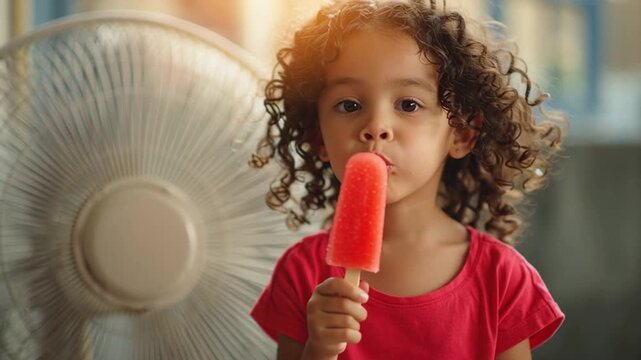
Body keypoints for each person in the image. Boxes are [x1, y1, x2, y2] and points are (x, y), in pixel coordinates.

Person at [249, 0, 566, 359]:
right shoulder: (301, 274)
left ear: (461, 134)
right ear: (319, 137)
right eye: (350, 105)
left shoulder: (502, 280)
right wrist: (318, 350)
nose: (376, 127)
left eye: (409, 105)